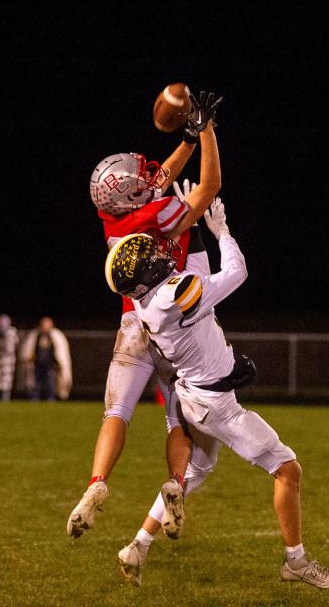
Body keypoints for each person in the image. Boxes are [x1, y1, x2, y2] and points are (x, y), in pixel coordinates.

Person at [106, 200, 329, 589]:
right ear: (147, 273)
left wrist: (193, 223)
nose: (159, 253)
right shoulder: (173, 296)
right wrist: (223, 233)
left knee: (196, 471)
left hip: (195, 393)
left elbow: (190, 273)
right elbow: (236, 272)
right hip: (215, 405)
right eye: (150, 255)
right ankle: (296, 562)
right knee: (288, 470)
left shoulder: (147, 300)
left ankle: (138, 545)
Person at [67, 91, 223, 540]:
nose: (148, 174)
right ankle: (175, 482)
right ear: (133, 196)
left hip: (131, 324)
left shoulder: (110, 214)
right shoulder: (157, 215)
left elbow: (156, 181)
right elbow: (207, 188)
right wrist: (207, 131)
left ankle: (96, 483)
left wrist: (188, 140)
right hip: (171, 325)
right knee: (177, 419)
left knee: (116, 413)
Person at [20, 317, 71, 402]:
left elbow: (60, 351)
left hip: (49, 363)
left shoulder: (56, 335)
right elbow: (30, 349)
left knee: (50, 382)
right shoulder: (36, 335)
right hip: (38, 363)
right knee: (36, 382)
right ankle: (35, 398)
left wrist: (58, 362)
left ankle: (50, 398)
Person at [0, 314, 19, 402]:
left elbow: (9, 348)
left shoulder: (11, 331)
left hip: (8, 359)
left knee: (6, 379)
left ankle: (5, 398)